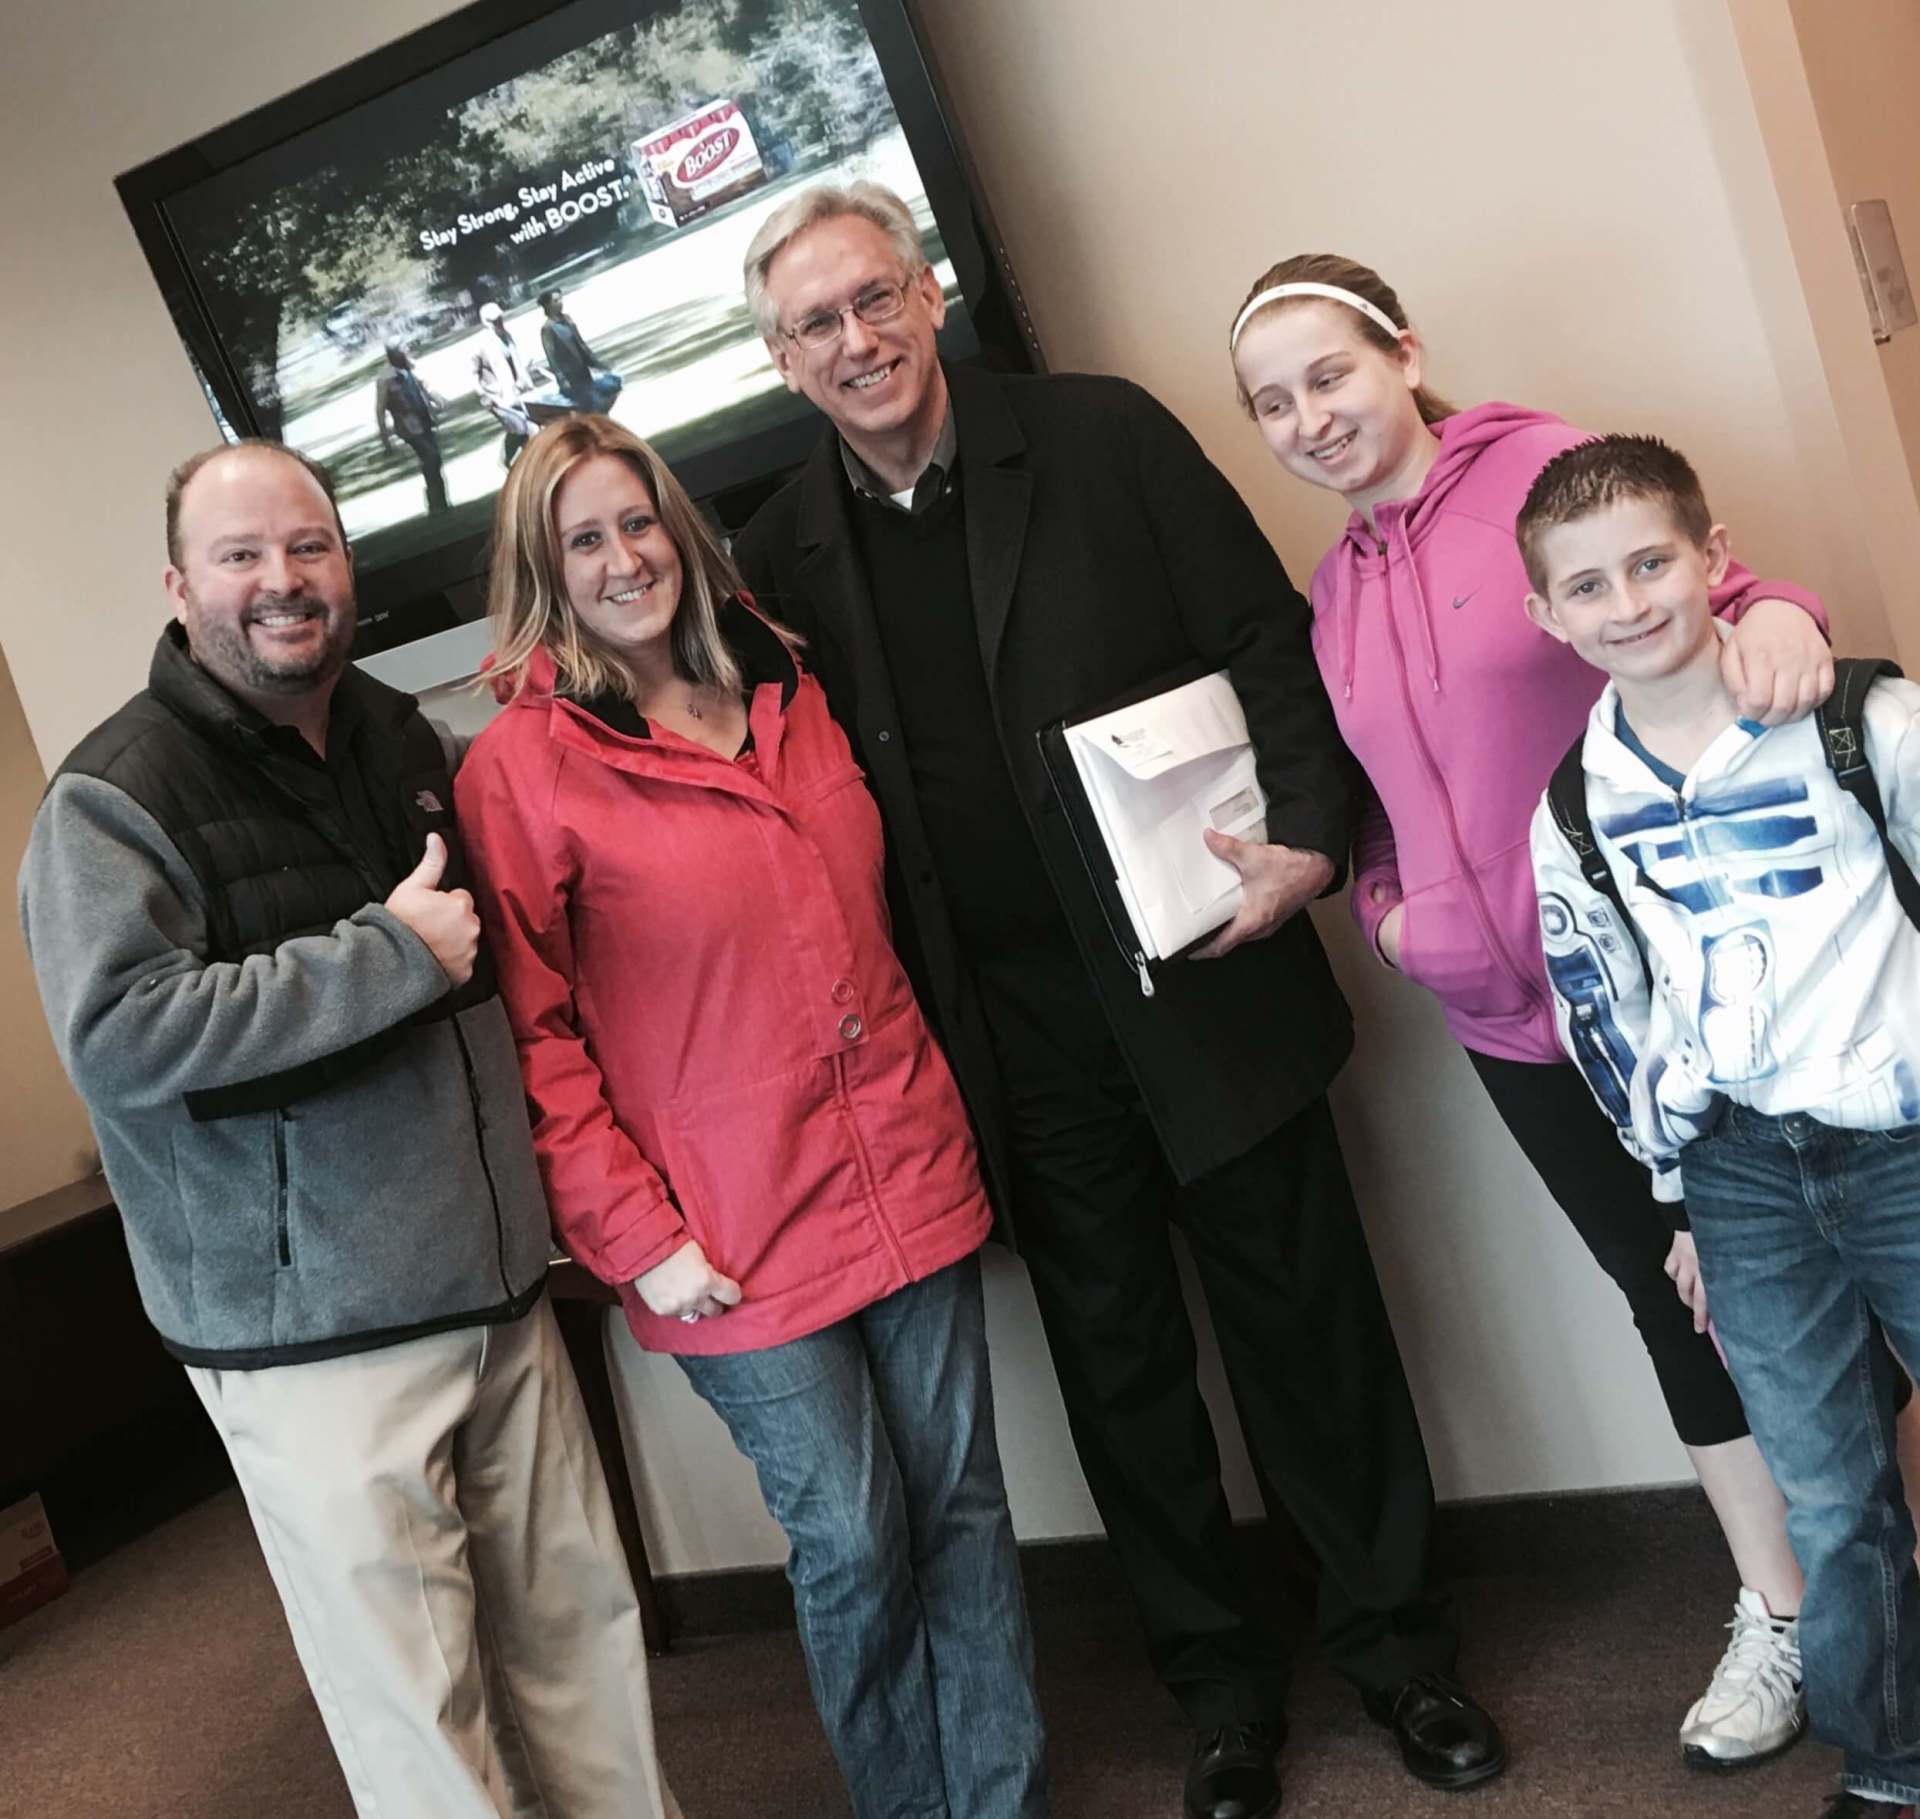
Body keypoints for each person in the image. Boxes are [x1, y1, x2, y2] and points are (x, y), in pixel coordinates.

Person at [733, 181, 1505, 1819]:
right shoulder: (777, 550)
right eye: (816, 324)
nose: (856, 340)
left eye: (874, 298)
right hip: (1010, 1032)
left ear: (927, 295)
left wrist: (1308, 844)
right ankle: (1220, 1691)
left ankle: (1398, 1645)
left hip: (1207, 970)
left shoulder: (1102, 436)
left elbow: (1263, 637)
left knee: (1309, 1329)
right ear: (782, 360)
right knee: (1122, 1372)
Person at [1225, 252, 1888, 1772]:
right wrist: (1393, 916)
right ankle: (1783, 1607)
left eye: (1331, 375)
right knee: (1670, 1298)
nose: (1311, 418)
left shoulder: (1535, 471)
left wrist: (1789, 612)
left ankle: (1873, 1568)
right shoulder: (1333, 591)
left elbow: (1699, 592)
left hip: (1688, 987)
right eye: (1273, 403)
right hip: (1520, 1028)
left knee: (1810, 1275)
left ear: (1403, 354)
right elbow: (1373, 802)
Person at [17, 440, 680, 1819]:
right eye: (241, 555)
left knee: (585, 1654)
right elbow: (123, 1036)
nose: (282, 579)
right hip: (314, 1349)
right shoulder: (110, 797)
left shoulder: (404, 738)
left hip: (495, 1293)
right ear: (179, 584)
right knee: (425, 1726)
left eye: (307, 546)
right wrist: (386, 956)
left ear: (345, 563)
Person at [453, 413, 1048, 1819]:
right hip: (723, 1233)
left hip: (902, 1162)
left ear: (679, 530)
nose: (623, 558)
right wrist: (634, 1237)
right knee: (852, 1535)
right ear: (544, 570)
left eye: (638, 522)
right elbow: (529, 1036)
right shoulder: (521, 768)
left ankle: (1002, 1801)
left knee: (961, 1507)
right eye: (583, 539)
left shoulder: (789, 682)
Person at [1522, 432, 1920, 1819]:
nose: (1628, 602)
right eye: (1588, 585)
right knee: (1829, 1491)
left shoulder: (1864, 722)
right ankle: (1892, 1758)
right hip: (1741, 1177)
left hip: (1903, 1139)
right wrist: (1677, 1200)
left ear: (1714, 557)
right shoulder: (1575, 808)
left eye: (1652, 563)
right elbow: (1608, 1013)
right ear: (1546, 614)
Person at [374, 341, 449, 513]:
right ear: (393, 354)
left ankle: (440, 503)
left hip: (425, 420)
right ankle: (435, 501)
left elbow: (424, 387)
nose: (407, 351)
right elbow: (380, 410)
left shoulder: (410, 368)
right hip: (408, 426)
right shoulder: (385, 379)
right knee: (431, 456)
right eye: (403, 350)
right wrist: (385, 439)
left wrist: (438, 400)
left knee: (434, 460)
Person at [473, 301, 538, 466]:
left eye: (500, 319)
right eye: (495, 321)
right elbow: (473, 374)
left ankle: (527, 463)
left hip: (517, 391)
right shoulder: (480, 345)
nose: (499, 323)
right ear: (486, 323)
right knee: (520, 427)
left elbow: (515, 362)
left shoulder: (507, 337)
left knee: (527, 427)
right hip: (498, 397)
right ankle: (507, 460)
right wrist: (484, 394)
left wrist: (524, 378)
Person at [538, 289, 623, 413]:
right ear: (547, 305)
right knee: (594, 404)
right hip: (572, 380)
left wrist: (599, 364)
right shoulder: (548, 329)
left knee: (614, 383)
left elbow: (581, 346)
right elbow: (552, 358)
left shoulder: (567, 319)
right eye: (556, 301)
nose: (560, 302)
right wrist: (562, 380)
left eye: (561, 299)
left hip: (585, 374)